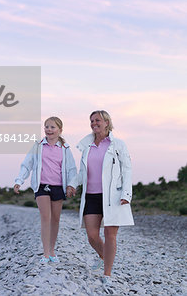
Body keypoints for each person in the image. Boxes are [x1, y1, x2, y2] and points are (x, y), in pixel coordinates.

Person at [76, 110, 134, 285]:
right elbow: (82, 173)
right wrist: (72, 185)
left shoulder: (118, 144)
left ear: (107, 122)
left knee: (110, 235)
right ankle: (103, 256)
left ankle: (107, 274)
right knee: (92, 235)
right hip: (91, 196)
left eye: (98, 120)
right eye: (92, 120)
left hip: (113, 197)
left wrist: (126, 193)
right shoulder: (87, 146)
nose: (94, 123)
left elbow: (127, 170)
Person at [14, 116, 77, 264]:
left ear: (60, 130)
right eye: (46, 127)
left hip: (58, 187)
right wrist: (19, 181)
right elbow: (27, 164)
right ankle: (46, 253)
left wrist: (71, 185)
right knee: (45, 217)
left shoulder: (65, 149)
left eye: (52, 127)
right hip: (41, 186)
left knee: (55, 219)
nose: (49, 130)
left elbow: (72, 169)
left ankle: (52, 250)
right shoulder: (37, 146)